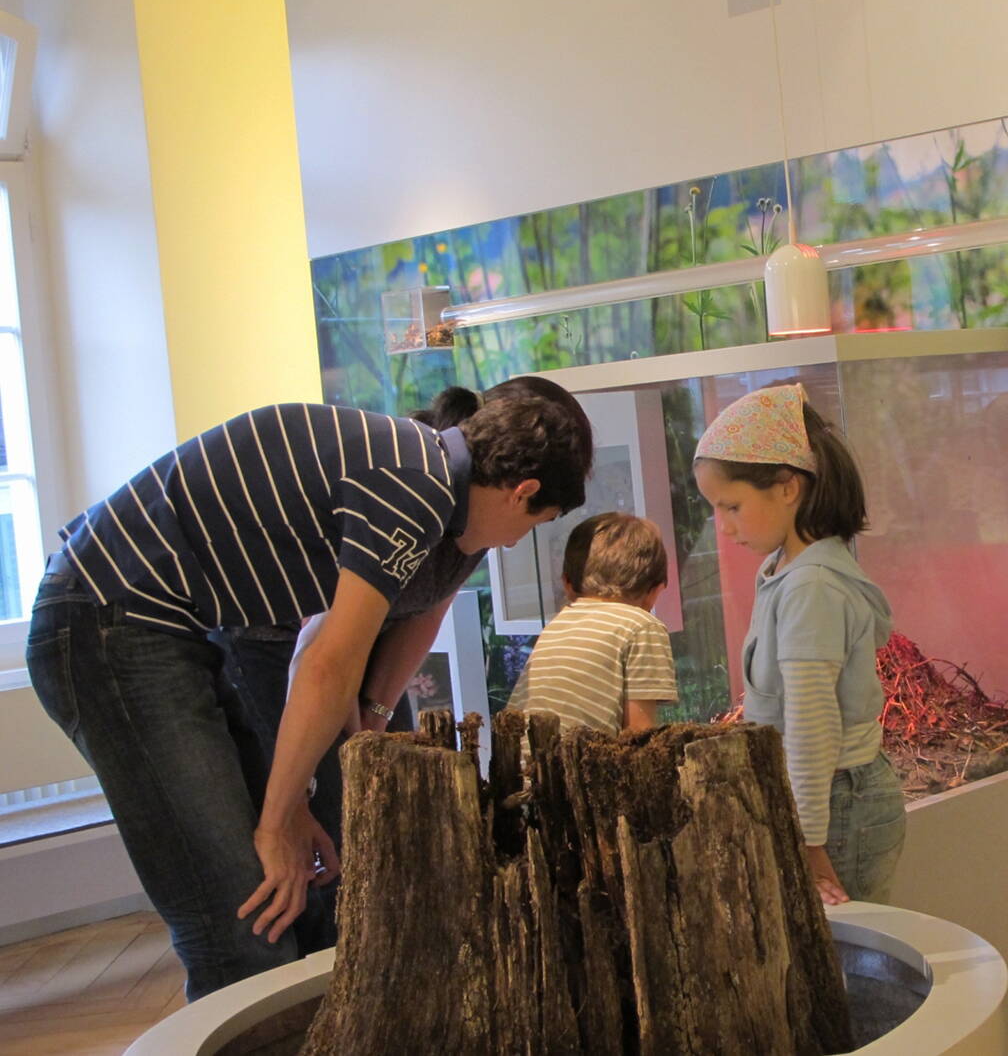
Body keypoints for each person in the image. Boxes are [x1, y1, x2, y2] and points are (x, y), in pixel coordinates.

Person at [24, 385, 593, 1000]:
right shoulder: (416, 482)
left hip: (180, 628)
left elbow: (353, 641)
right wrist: (275, 825)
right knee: (244, 913)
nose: (514, 541)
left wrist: (291, 806)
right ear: (523, 490)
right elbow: (326, 661)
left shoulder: (430, 483)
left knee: (280, 889)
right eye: (533, 524)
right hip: (109, 616)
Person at [217, 378, 588, 953]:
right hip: (295, 652)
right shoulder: (419, 492)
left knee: (377, 801)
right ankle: (327, 954)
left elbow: (426, 613)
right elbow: (323, 647)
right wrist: (345, 731)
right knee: (330, 814)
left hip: (356, 667)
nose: (519, 541)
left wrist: (374, 713)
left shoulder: (474, 519)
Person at [692, 383, 903, 905]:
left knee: (844, 962)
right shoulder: (787, 571)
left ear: (788, 487)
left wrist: (810, 843)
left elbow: (812, 722)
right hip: (818, 799)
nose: (724, 527)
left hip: (835, 804)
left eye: (733, 506)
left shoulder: (811, 585)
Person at [507, 511, 678, 735]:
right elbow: (640, 733)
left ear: (567, 583)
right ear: (655, 591)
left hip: (515, 764)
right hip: (576, 765)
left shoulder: (558, 624)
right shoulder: (641, 626)